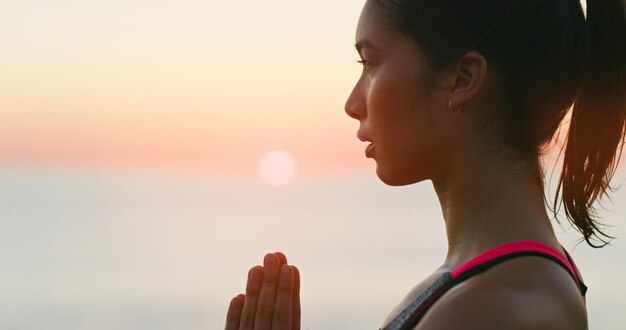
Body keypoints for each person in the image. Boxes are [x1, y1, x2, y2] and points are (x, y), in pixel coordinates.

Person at [225, 0, 626, 328]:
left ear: (463, 79)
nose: (352, 104)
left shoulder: (491, 311)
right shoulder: (499, 285)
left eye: (370, 63)